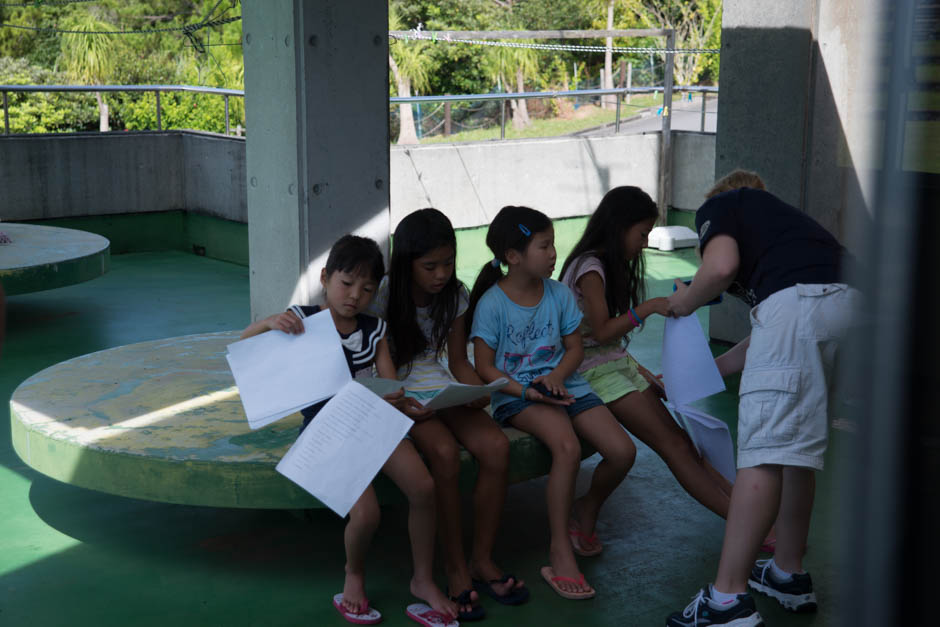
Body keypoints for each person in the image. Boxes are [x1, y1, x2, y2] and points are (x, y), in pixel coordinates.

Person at [664, 170, 858, 626]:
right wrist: (698, 371)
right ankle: (787, 572)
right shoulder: (794, 240)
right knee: (796, 453)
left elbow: (720, 268)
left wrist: (685, 301)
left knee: (764, 455)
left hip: (801, 315)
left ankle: (726, 599)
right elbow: (774, 339)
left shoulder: (726, 204)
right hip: (849, 310)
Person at [240, 234, 458, 626]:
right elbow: (244, 348)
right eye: (346, 283)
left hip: (370, 419)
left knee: (423, 487)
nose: (355, 295)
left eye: (368, 288)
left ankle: (422, 579)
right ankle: (353, 573)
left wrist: (400, 400)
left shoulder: (375, 329)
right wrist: (268, 322)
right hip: (325, 429)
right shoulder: (302, 320)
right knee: (367, 513)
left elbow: (390, 386)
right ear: (324, 278)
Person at [467, 205, 637, 601]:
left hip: (565, 385)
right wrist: (529, 391)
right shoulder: (493, 304)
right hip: (518, 396)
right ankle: (560, 551)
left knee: (623, 451)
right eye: (544, 246)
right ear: (513, 256)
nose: (553, 254)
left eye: (552, 245)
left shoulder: (559, 294)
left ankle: (584, 508)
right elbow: (485, 369)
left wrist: (558, 377)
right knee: (568, 447)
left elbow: (575, 348)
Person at [368, 208, 528, 621]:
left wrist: (476, 391)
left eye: (448, 262)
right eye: (430, 266)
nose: (441, 273)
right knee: (442, 453)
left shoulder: (455, 295)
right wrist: (400, 401)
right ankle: (455, 568)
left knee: (494, 446)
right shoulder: (385, 295)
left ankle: (482, 559)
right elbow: (375, 361)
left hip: (440, 386)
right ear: (406, 264)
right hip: (400, 392)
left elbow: (457, 361)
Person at [560, 186, 739, 527]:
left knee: (683, 442)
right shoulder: (589, 268)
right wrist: (651, 307)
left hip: (612, 365)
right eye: (642, 234)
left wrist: (642, 373)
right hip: (590, 373)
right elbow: (600, 332)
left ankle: (745, 516)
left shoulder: (609, 265)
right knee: (674, 445)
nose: (644, 243)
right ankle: (744, 523)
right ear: (619, 226)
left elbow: (610, 347)